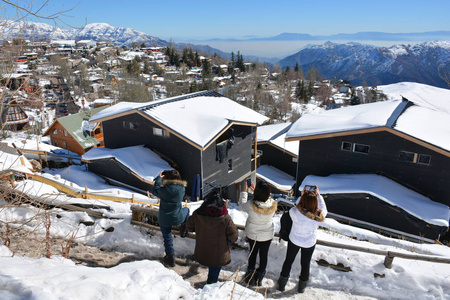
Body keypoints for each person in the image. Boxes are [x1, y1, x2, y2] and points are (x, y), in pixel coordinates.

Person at [277, 185, 327, 293]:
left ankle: (282, 284)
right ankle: (302, 287)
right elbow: (324, 209)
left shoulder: (294, 212)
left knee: (288, 261)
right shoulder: (317, 217)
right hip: (309, 243)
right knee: (305, 264)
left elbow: (297, 205)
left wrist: (302, 195)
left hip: (294, 240)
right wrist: (318, 195)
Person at [186, 190, 239, 284]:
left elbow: (189, 227)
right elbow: (234, 235)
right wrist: (227, 241)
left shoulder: (198, 213)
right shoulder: (225, 218)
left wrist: (199, 230)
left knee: (208, 261)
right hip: (218, 252)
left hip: (202, 248)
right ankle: (211, 284)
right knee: (215, 268)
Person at [239, 180, 277, 286]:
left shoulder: (250, 205)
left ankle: (250, 277)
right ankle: (259, 279)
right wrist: (257, 191)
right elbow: (266, 199)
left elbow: (241, 206)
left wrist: (245, 191)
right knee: (263, 256)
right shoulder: (273, 204)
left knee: (253, 254)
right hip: (267, 235)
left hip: (253, 235)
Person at [152, 170, 189, 268]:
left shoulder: (164, 190)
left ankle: (170, 258)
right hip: (178, 217)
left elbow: (154, 190)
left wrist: (159, 178)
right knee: (186, 209)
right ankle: (184, 227)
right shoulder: (182, 189)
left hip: (164, 218)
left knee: (167, 237)